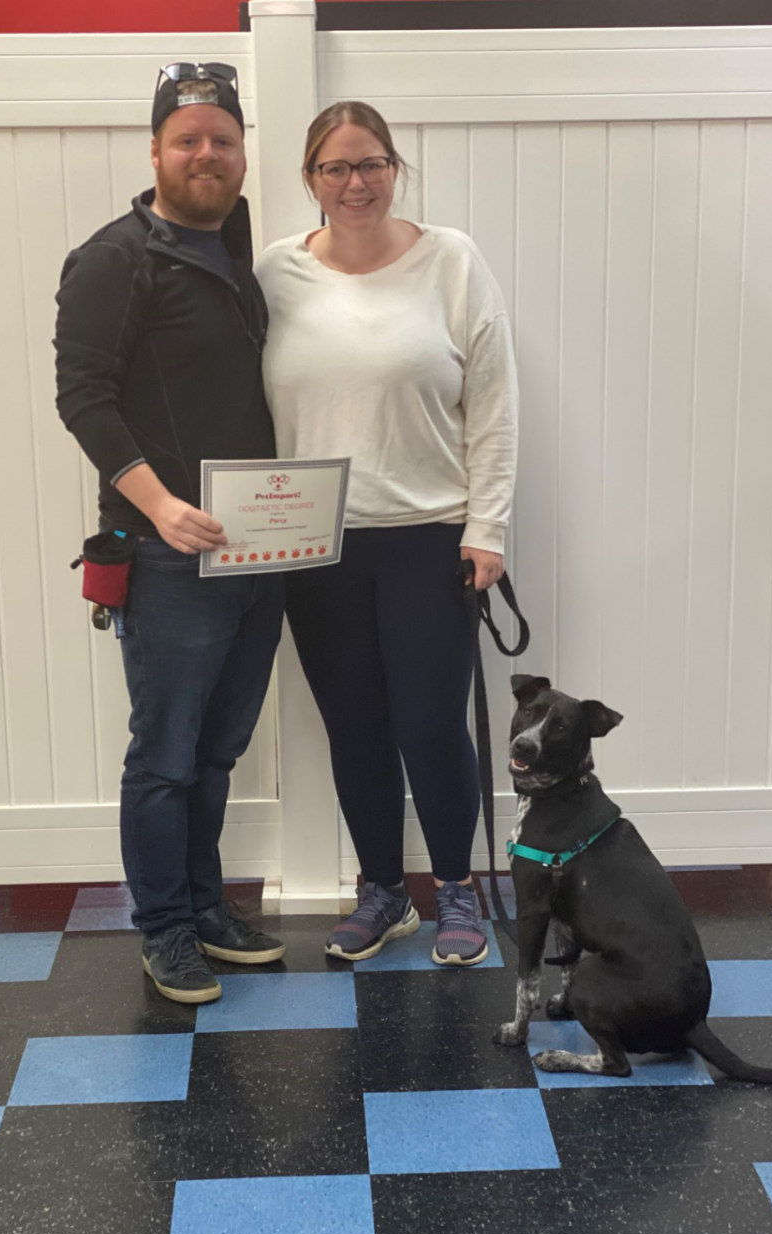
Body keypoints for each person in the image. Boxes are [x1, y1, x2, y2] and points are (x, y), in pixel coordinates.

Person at [255, 101, 518, 967]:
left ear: (394, 169)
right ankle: (380, 892)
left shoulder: (452, 260)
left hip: (428, 536)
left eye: (371, 164)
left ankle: (454, 892)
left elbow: (493, 404)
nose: (356, 182)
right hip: (312, 545)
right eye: (336, 168)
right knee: (355, 726)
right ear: (310, 181)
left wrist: (489, 527)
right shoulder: (275, 274)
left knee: (432, 725)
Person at [55, 61, 286, 1005]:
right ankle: (163, 929)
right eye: (187, 138)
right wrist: (156, 504)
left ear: (241, 155)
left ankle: (203, 905)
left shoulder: (237, 252)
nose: (206, 154)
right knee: (163, 753)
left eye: (222, 140)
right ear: (155, 150)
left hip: (255, 552)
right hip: (166, 555)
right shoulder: (115, 257)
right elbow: (85, 399)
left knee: (217, 750)